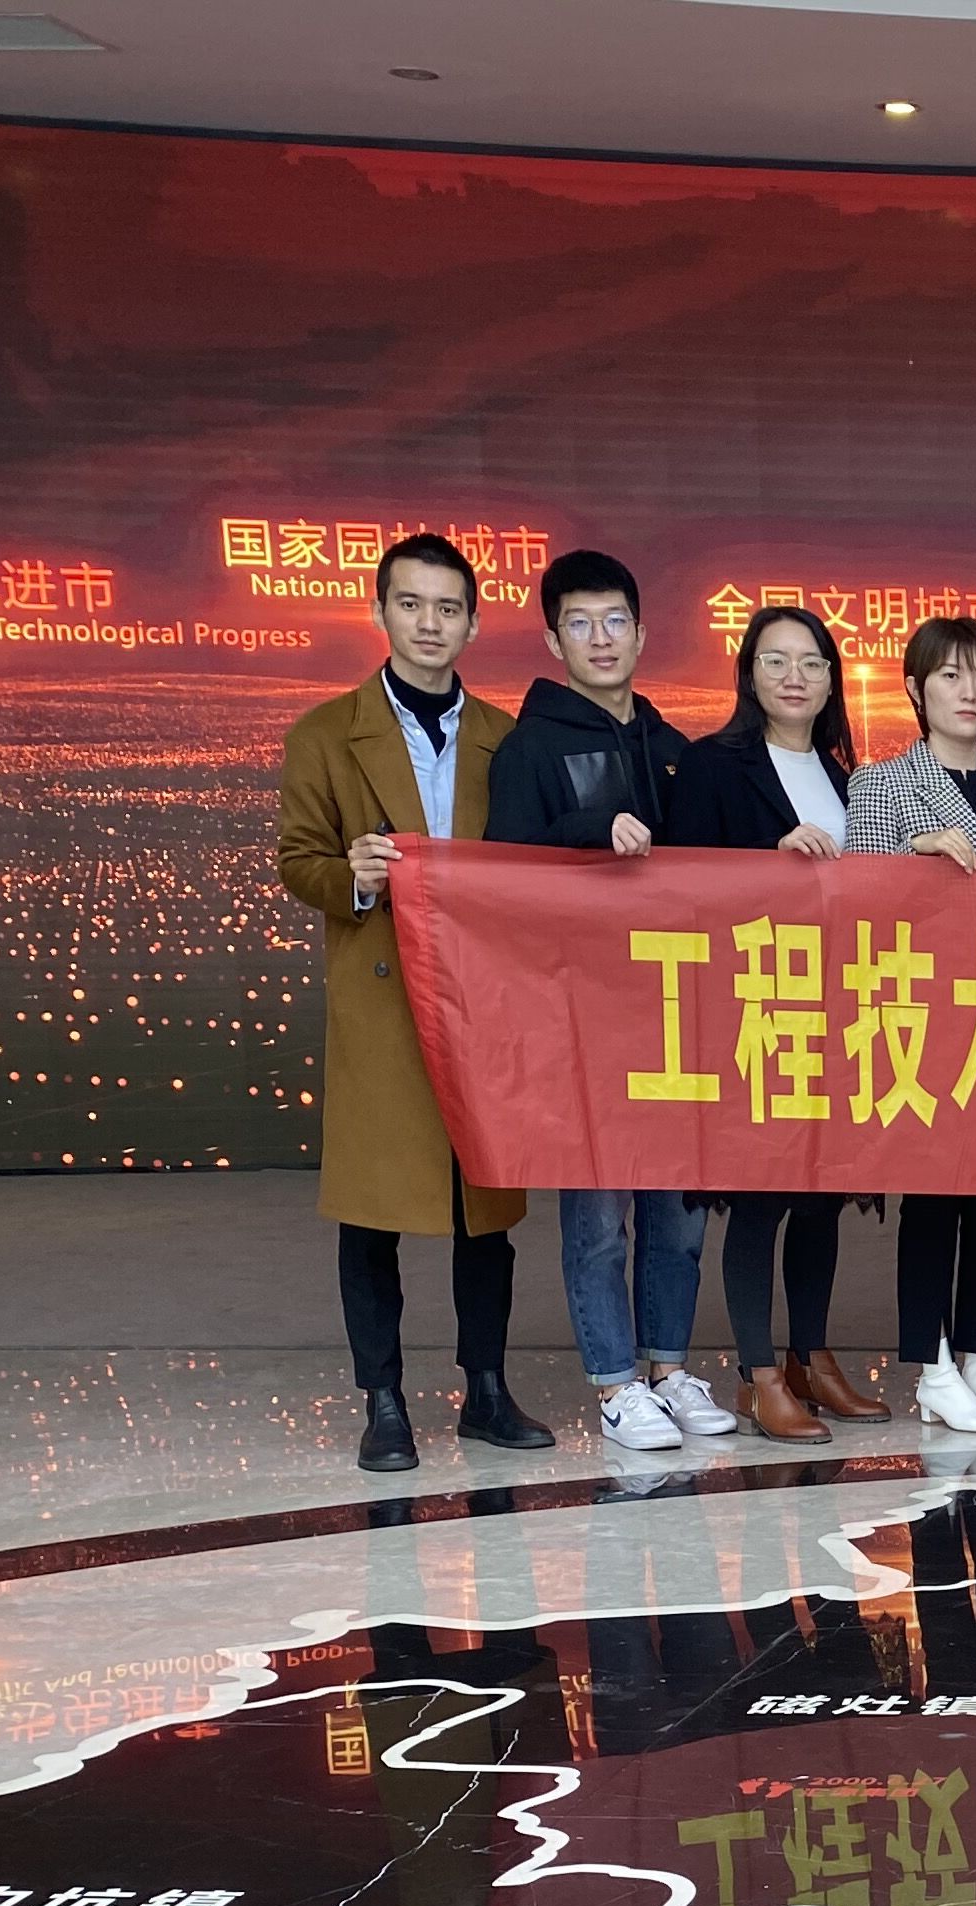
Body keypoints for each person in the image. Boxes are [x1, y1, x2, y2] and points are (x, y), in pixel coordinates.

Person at [275, 532, 551, 1475]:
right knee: (373, 1212)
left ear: (472, 623)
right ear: (380, 612)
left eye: (448, 608)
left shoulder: (505, 738)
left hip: (481, 1003)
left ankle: (487, 1392)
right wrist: (352, 878)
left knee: (486, 1211)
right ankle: (384, 1400)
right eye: (411, 604)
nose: (430, 623)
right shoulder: (325, 732)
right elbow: (297, 860)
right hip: (383, 1000)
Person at [486, 548, 727, 1454]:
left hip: (676, 1018)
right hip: (584, 1023)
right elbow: (505, 879)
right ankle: (616, 1383)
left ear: (641, 632)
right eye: (579, 624)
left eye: (615, 620)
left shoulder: (672, 750)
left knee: (679, 1212)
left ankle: (668, 1369)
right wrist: (588, 832)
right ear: (554, 641)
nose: (600, 638)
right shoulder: (530, 749)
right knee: (597, 1219)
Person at [668, 604, 886, 1446]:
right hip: (754, 1007)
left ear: (832, 680)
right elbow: (683, 887)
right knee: (762, 1199)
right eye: (776, 661)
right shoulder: (712, 766)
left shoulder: (844, 773)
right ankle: (759, 1375)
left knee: (824, 1194)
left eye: (812, 663)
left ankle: (810, 1358)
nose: (795, 677)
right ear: (748, 675)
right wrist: (769, 863)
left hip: (838, 1009)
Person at [846, 615, 976, 1436]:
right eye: (950, 676)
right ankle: (932, 1367)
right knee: (934, 1198)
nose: (970, 692)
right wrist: (916, 857)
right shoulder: (882, 784)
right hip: (923, 1021)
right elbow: (859, 904)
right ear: (914, 687)